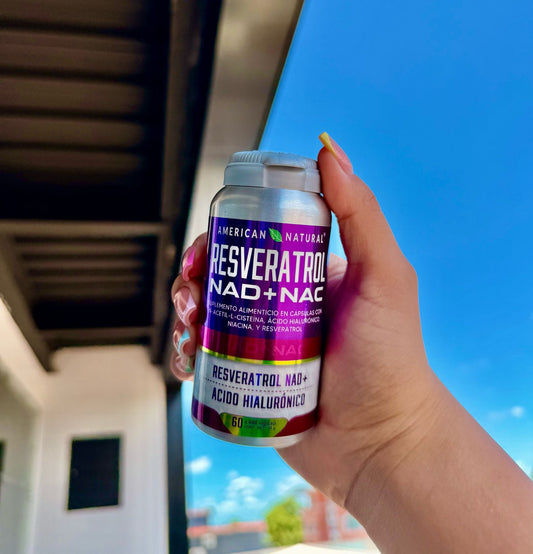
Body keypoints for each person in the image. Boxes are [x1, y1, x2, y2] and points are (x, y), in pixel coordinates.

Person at [170, 133, 533, 553]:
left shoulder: (308, 212)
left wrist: (388, 439)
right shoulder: (235, 204)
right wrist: (384, 448)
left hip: (303, 403)